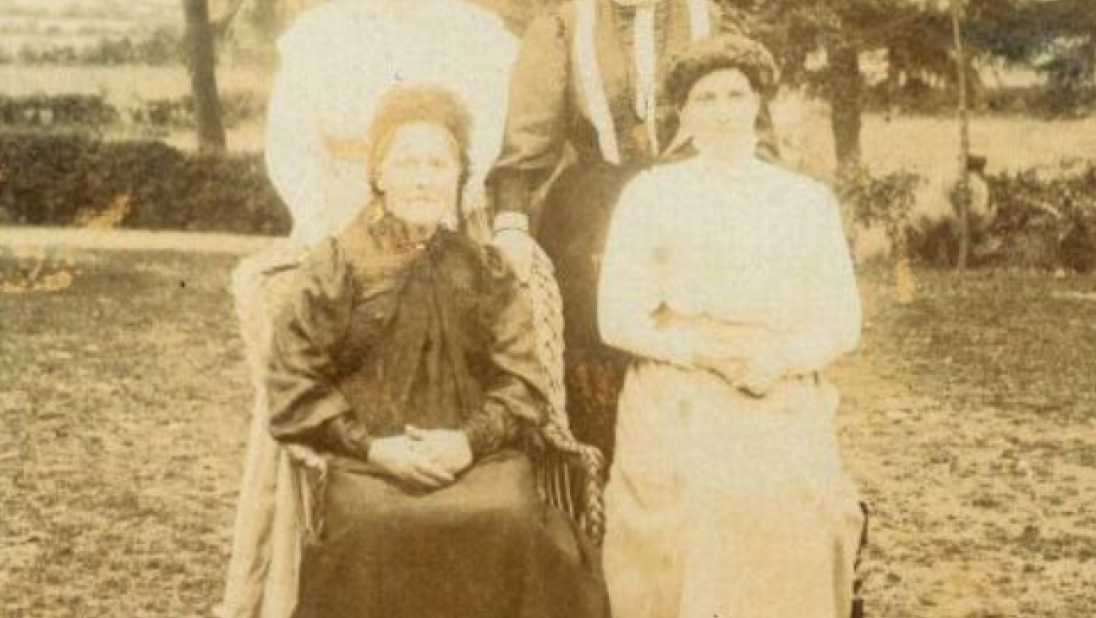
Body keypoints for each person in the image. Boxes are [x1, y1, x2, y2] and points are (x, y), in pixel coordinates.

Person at [262, 86, 606, 618]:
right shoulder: (334, 265)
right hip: (368, 462)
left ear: (458, 179)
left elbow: (523, 382)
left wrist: (467, 443)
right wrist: (375, 448)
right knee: (376, 526)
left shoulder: (485, 269)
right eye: (407, 162)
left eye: (437, 163)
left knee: (510, 516)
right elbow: (294, 381)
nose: (422, 177)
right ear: (379, 175)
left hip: (478, 458)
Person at [597, 35, 866, 618]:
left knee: (789, 499)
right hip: (680, 377)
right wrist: (698, 352)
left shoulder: (804, 200)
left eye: (734, 95)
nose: (721, 111)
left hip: (777, 381)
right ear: (685, 113)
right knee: (699, 496)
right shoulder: (651, 193)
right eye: (705, 98)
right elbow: (615, 318)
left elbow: (842, 322)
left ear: (756, 105)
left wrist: (783, 361)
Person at [486, 0, 776, 458]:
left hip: (698, 205)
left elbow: (754, 131)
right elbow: (524, 151)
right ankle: (602, 482)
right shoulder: (564, 27)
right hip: (593, 218)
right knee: (604, 354)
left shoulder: (706, 18)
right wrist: (511, 224)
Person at [265, 0, 517, 244]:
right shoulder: (318, 31)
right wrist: (317, 220)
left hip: (448, 211)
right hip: (341, 209)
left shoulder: (476, 31)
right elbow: (290, 142)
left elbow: (489, 135)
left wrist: (445, 206)